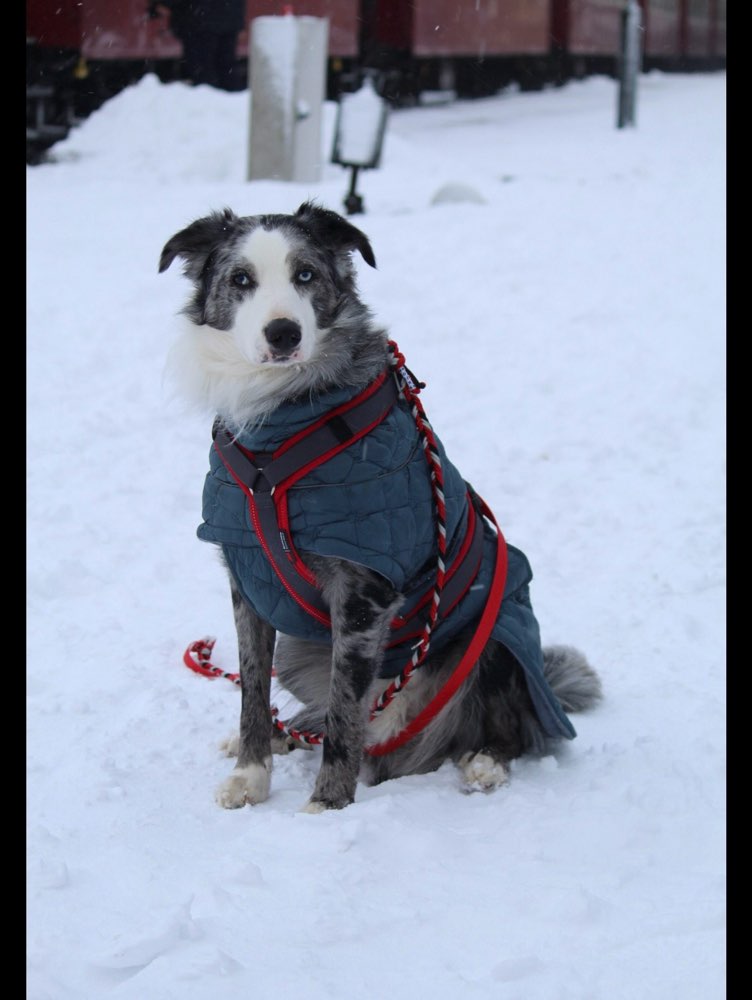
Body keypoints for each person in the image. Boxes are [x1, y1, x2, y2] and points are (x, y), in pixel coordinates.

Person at [150, 2, 247, 92]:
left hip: (198, 18)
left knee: (203, 69)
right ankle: (230, 98)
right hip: (228, 16)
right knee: (226, 67)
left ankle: (209, 99)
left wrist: (162, 3)